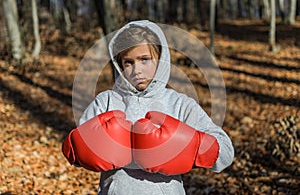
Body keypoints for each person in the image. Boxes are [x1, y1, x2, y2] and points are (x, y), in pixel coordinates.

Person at [62, 20, 234, 195]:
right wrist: (84, 149)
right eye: (128, 62)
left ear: (160, 59)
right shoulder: (105, 101)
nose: (137, 70)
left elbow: (226, 153)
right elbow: (76, 149)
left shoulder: (179, 104)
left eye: (145, 59)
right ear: (119, 65)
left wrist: (193, 146)